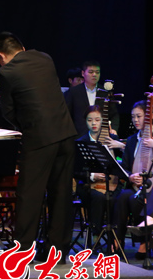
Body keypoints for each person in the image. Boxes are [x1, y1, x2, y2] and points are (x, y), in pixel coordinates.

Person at [0, 32, 77, 257]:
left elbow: (9, 111)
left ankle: (22, 251)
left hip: (39, 138)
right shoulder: (45, 58)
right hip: (65, 133)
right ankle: (57, 250)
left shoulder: (6, 73)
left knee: (30, 195)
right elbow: (25, 73)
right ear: (22, 48)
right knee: (61, 194)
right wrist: (1, 71)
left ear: (1, 56)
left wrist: (25, 125)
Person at [113, 101, 153, 259]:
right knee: (122, 197)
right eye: (133, 117)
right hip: (136, 186)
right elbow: (124, 167)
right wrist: (130, 176)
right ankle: (118, 240)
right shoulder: (131, 140)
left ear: (148, 117)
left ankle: (145, 241)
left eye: (139, 116)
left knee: (138, 199)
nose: (135, 120)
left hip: (151, 188)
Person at [74, 106, 122, 237]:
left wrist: (121, 146)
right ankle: (96, 234)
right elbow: (75, 171)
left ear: (102, 121)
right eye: (90, 120)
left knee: (119, 198)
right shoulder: (81, 142)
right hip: (87, 185)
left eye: (97, 120)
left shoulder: (112, 138)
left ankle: (115, 239)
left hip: (111, 184)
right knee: (99, 197)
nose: (93, 123)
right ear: (85, 122)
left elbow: (126, 161)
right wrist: (92, 175)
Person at [64, 61, 119, 137]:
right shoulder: (73, 92)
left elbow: (114, 114)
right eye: (91, 72)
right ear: (83, 73)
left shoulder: (105, 92)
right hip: (79, 136)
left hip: (101, 136)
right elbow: (66, 116)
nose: (94, 75)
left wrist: (113, 129)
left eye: (97, 72)